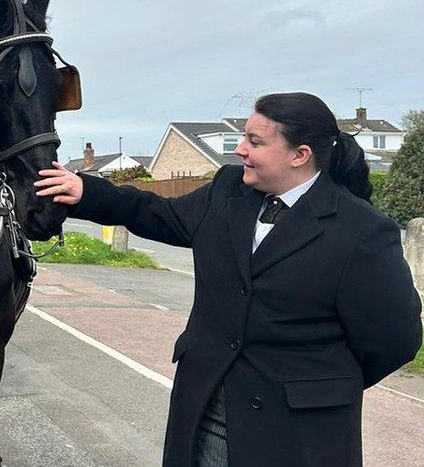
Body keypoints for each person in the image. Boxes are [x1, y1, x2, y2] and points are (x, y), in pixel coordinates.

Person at [35, 92, 422, 467]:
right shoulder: (226, 191)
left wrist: (319, 385)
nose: (240, 149)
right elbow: (157, 213)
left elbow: (394, 339)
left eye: (255, 141)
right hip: (205, 411)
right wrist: (86, 192)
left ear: (299, 155)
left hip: (297, 434)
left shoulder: (362, 230)